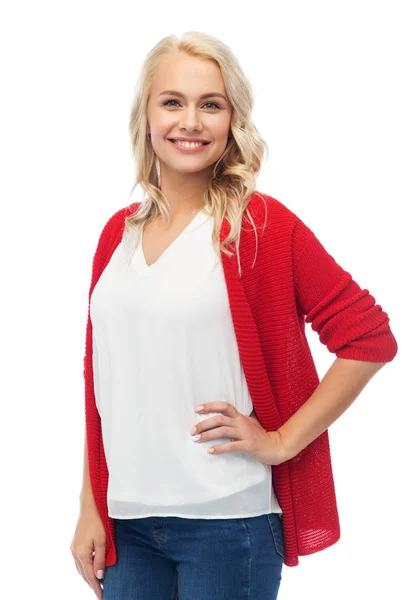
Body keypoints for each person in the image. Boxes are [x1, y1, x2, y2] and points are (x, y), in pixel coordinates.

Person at [70, 31, 398, 600]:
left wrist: (281, 441)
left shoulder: (261, 229)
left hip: (228, 524)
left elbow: (368, 337)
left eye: (211, 105)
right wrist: (90, 506)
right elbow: (105, 386)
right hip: (128, 525)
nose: (190, 121)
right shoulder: (114, 236)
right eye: (172, 102)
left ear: (232, 120)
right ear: (145, 115)